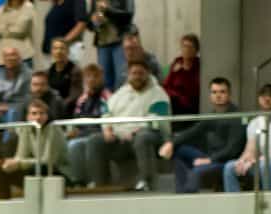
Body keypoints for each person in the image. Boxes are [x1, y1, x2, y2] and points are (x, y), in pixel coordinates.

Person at [84, 60, 170, 191]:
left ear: (148, 74)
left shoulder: (158, 94)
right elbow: (107, 113)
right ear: (128, 75)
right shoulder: (121, 93)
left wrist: (135, 131)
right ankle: (99, 184)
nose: (137, 76)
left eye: (140, 73)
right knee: (94, 140)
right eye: (134, 73)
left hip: (150, 137)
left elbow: (157, 120)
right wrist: (107, 129)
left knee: (143, 137)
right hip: (120, 139)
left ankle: (146, 182)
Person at [157, 77, 244, 193]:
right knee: (178, 150)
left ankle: (188, 197)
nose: (218, 96)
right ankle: (181, 193)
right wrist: (171, 143)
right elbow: (192, 131)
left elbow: (232, 150)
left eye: (222, 92)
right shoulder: (212, 115)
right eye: (214, 92)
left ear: (229, 94)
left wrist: (210, 160)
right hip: (211, 157)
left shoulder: (236, 116)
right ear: (210, 95)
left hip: (226, 161)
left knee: (196, 172)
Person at [223, 84, 271, 193]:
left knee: (265, 164)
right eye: (263, 96)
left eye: (270, 96)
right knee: (230, 167)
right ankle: (234, 202)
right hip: (260, 161)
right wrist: (244, 160)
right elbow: (250, 148)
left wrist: (262, 158)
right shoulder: (254, 122)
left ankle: (268, 199)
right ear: (259, 99)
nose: (267, 99)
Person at [0, 99, 68, 197]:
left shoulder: (54, 129)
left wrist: (19, 163)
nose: (38, 117)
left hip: (56, 170)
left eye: (41, 113)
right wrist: (12, 163)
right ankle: (4, 202)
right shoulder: (26, 128)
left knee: (37, 169)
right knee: (3, 171)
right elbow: (21, 155)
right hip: (37, 166)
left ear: (47, 115)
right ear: (28, 117)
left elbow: (48, 161)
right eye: (34, 113)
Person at [65, 63, 111, 182]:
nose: (91, 79)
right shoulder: (82, 99)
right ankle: (77, 181)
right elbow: (77, 121)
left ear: (101, 78)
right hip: (83, 134)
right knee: (69, 143)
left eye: (95, 76)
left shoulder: (107, 97)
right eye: (88, 76)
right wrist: (73, 131)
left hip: (100, 134)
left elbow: (106, 122)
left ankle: (92, 181)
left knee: (75, 145)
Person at [86, 0, 134, 90]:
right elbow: (89, 24)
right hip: (102, 44)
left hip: (120, 42)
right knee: (105, 82)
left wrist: (108, 10)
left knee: (121, 79)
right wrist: (93, 22)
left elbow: (128, 16)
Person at [0, 0, 36, 69]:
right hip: (2, 59)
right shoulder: (1, 8)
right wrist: (8, 27)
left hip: (23, 57)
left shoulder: (28, 7)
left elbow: (19, 30)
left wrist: (1, 28)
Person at [161, 34, 200, 118]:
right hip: (176, 104)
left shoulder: (198, 65)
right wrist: (177, 96)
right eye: (184, 46)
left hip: (193, 106)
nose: (186, 50)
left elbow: (195, 89)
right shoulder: (177, 63)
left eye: (190, 47)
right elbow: (166, 86)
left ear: (196, 50)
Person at [47, 37, 83, 112]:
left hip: (70, 110)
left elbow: (75, 95)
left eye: (62, 48)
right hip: (51, 110)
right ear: (51, 52)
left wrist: (59, 106)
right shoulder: (48, 72)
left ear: (68, 51)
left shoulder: (75, 71)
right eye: (55, 48)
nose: (58, 51)